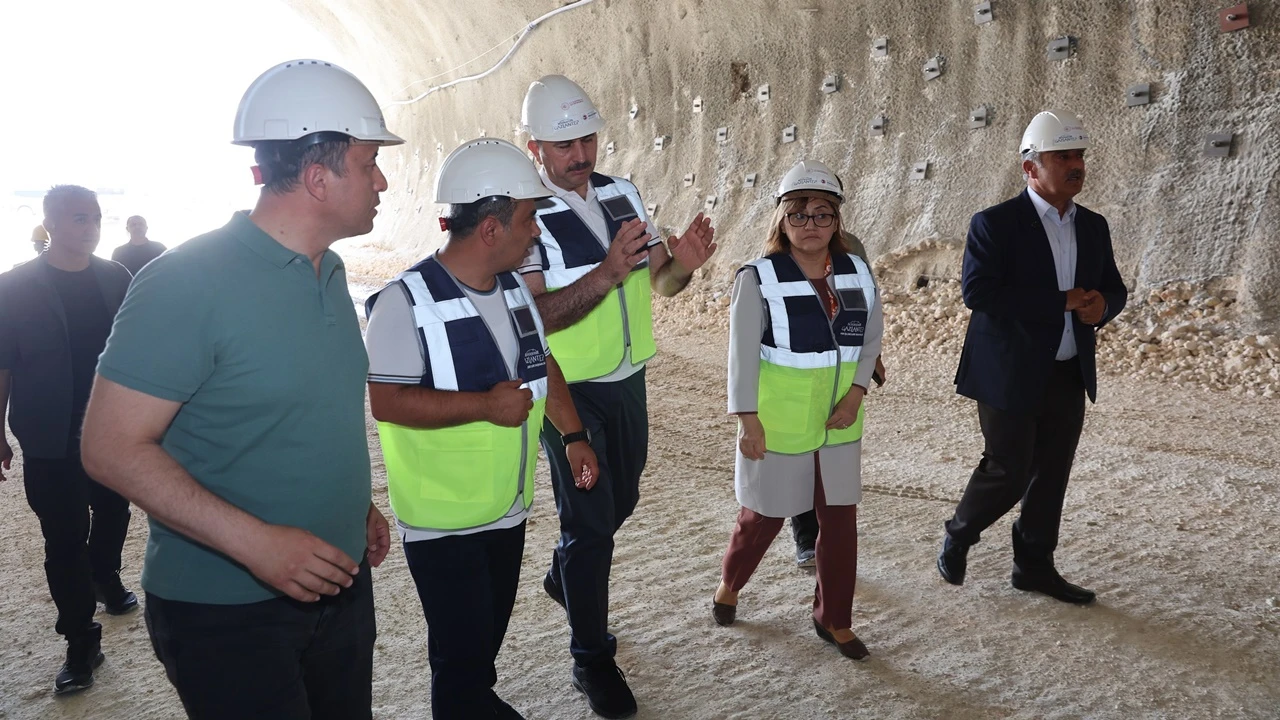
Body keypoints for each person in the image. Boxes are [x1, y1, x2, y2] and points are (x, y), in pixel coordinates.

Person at [79, 59, 402, 719]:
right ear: (318, 179)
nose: (383, 181)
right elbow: (109, 447)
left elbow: (299, 415)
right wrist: (258, 544)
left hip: (338, 584)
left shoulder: (330, 270)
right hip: (225, 612)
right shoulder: (185, 282)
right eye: (370, 164)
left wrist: (352, 505)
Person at [366, 138, 600, 720]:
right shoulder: (403, 302)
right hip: (444, 521)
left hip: (506, 509)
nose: (536, 233)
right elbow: (387, 402)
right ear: (492, 228)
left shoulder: (514, 287)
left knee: (477, 654)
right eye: (529, 219)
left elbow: (541, 363)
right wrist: (484, 406)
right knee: (462, 669)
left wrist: (573, 436)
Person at [517, 74, 716, 719]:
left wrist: (683, 264)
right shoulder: (524, 216)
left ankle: (565, 575)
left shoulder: (621, 193)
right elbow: (534, 318)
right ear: (534, 148)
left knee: (618, 500)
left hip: (628, 381)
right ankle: (591, 658)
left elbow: (662, 283)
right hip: (568, 392)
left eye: (587, 139)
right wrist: (604, 275)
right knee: (590, 524)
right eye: (564, 143)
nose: (580, 153)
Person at [937, 110, 1127, 605]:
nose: (1076, 164)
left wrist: (1103, 307)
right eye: (1062, 156)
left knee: (1052, 474)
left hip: (1067, 369)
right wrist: (1061, 301)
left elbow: (1113, 287)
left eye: (1079, 155)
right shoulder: (994, 224)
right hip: (1007, 369)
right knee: (1009, 469)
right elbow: (979, 292)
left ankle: (1034, 567)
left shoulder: (1093, 226)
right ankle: (960, 532)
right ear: (1030, 168)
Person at [710, 160, 883, 661]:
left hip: (840, 420)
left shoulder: (857, 272)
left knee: (840, 522)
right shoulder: (758, 278)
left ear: (837, 221)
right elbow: (741, 355)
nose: (811, 224)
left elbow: (870, 338)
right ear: (781, 220)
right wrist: (747, 419)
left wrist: (856, 393)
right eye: (799, 214)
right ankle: (729, 584)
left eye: (822, 214)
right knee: (762, 516)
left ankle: (834, 619)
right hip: (779, 420)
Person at [0, 185, 136, 694]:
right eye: (79, 218)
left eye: (96, 217)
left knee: (115, 511)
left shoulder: (115, 277)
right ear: (51, 223)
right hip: (48, 434)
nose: (91, 226)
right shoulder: (13, 287)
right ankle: (81, 642)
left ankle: (105, 573)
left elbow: (139, 349)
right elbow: (2, 365)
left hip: (112, 428)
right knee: (63, 539)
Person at [786, 224, 887, 568]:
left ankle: (830, 539)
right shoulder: (779, 250)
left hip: (842, 369)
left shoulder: (851, 246)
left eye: (823, 210)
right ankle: (806, 538)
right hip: (798, 368)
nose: (811, 220)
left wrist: (873, 357)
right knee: (800, 454)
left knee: (832, 455)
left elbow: (866, 305)